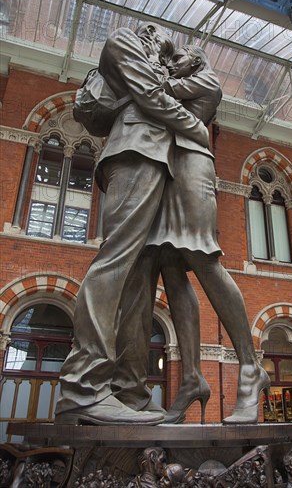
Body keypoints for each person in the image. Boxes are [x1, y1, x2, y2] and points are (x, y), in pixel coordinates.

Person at [54, 25, 210, 426]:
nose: (166, 50)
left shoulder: (157, 63)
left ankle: (130, 391)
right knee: (115, 262)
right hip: (134, 152)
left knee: (140, 281)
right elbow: (151, 97)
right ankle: (83, 385)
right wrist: (196, 129)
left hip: (157, 160)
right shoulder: (123, 41)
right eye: (162, 42)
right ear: (148, 34)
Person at [113, 46, 270, 425]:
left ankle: (251, 368)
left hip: (193, 168)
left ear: (196, 60)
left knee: (202, 257)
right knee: (170, 268)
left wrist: (159, 58)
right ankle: (191, 377)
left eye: (179, 56)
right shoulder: (181, 79)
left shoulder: (206, 80)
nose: (172, 61)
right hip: (166, 170)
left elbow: (156, 89)